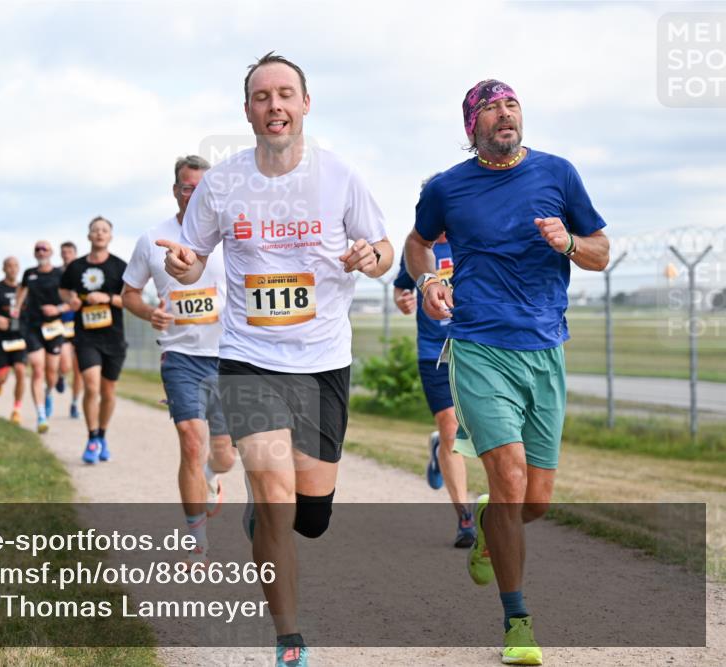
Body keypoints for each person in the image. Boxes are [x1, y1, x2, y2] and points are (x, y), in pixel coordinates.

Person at [160, 52, 392, 667]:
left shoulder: (340, 176)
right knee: (273, 496)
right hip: (248, 358)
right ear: (247, 111)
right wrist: (182, 266)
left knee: (309, 517)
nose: (275, 106)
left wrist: (371, 257)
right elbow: (191, 258)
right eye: (262, 97)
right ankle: (289, 639)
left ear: (305, 103)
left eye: (285, 94)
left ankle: (263, 520)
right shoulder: (222, 183)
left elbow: (384, 249)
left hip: (322, 361)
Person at [404, 79, 610, 666]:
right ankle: (518, 622)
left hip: (544, 349)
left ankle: (491, 525)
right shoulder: (447, 187)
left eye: (511, 104)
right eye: (491, 108)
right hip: (478, 346)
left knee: (533, 502)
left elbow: (600, 251)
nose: (504, 113)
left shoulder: (558, 174)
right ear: (472, 126)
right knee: (511, 478)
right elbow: (417, 243)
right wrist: (429, 279)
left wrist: (568, 242)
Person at [123, 155, 237, 566]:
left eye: (203, 188)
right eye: (188, 188)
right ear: (176, 190)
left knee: (224, 457)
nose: (195, 195)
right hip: (180, 356)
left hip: (227, 356)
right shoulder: (152, 239)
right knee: (191, 442)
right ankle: (196, 539)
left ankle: (211, 478)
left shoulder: (229, 234)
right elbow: (129, 293)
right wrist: (148, 312)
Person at [394, 230, 476, 548]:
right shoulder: (417, 247)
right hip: (434, 352)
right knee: (450, 426)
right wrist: (403, 301)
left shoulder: (472, 237)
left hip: (477, 348)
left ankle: (439, 447)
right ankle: (465, 518)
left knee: (481, 429)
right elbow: (401, 287)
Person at [60, 217, 128, 464]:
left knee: (108, 391)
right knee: (91, 386)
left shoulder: (120, 266)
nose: (99, 233)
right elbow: (63, 290)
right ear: (88, 236)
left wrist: (107, 298)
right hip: (86, 336)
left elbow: (129, 299)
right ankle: (91, 438)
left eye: (104, 230)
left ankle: (102, 436)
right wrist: (71, 300)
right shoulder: (76, 267)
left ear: (110, 236)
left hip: (113, 337)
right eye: (95, 230)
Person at [16, 241, 71, 433]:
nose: (41, 252)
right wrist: (16, 307)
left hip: (54, 327)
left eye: (44, 249)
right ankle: (41, 415)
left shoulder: (60, 274)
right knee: (37, 369)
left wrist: (57, 309)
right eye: (37, 249)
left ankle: (48, 392)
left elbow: (72, 301)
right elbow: (21, 291)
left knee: (52, 371)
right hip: (33, 326)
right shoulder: (29, 273)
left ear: (51, 252)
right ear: (34, 253)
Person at [0, 257, 28, 424]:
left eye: (15, 266)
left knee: (21, 371)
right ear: (3, 269)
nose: (12, 269)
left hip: (19, 338)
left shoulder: (24, 290)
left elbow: (31, 312)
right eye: (9, 266)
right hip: (0, 339)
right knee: (2, 377)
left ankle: (17, 410)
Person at [57, 241, 83, 418]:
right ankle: (61, 376)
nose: (66, 255)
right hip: (62, 325)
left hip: (81, 325)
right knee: (65, 365)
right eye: (63, 252)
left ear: (75, 254)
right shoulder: (56, 274)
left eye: (69, 252)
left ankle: (74, 403)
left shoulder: (83, 272)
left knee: (79, 369)